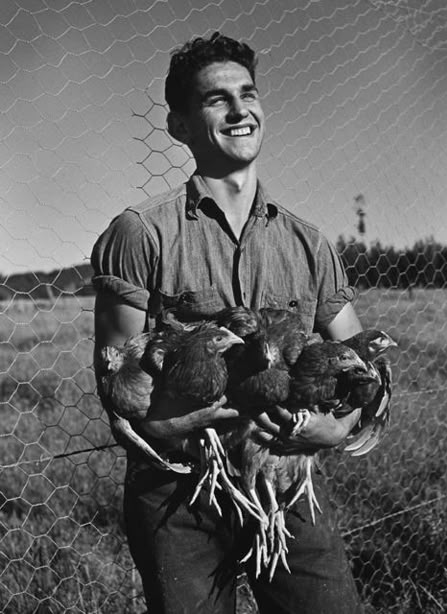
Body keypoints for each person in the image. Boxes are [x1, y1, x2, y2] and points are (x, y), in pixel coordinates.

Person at [92, 32, 364, 614]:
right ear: (180, 126)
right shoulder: (142, 233)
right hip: (182, 494)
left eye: (249, 94)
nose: (240, 110)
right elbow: (116, 381)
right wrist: (172, 426)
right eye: (217, 99)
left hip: (286, 483)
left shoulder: (309, 243)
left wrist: (339, 429)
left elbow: (361, 362)